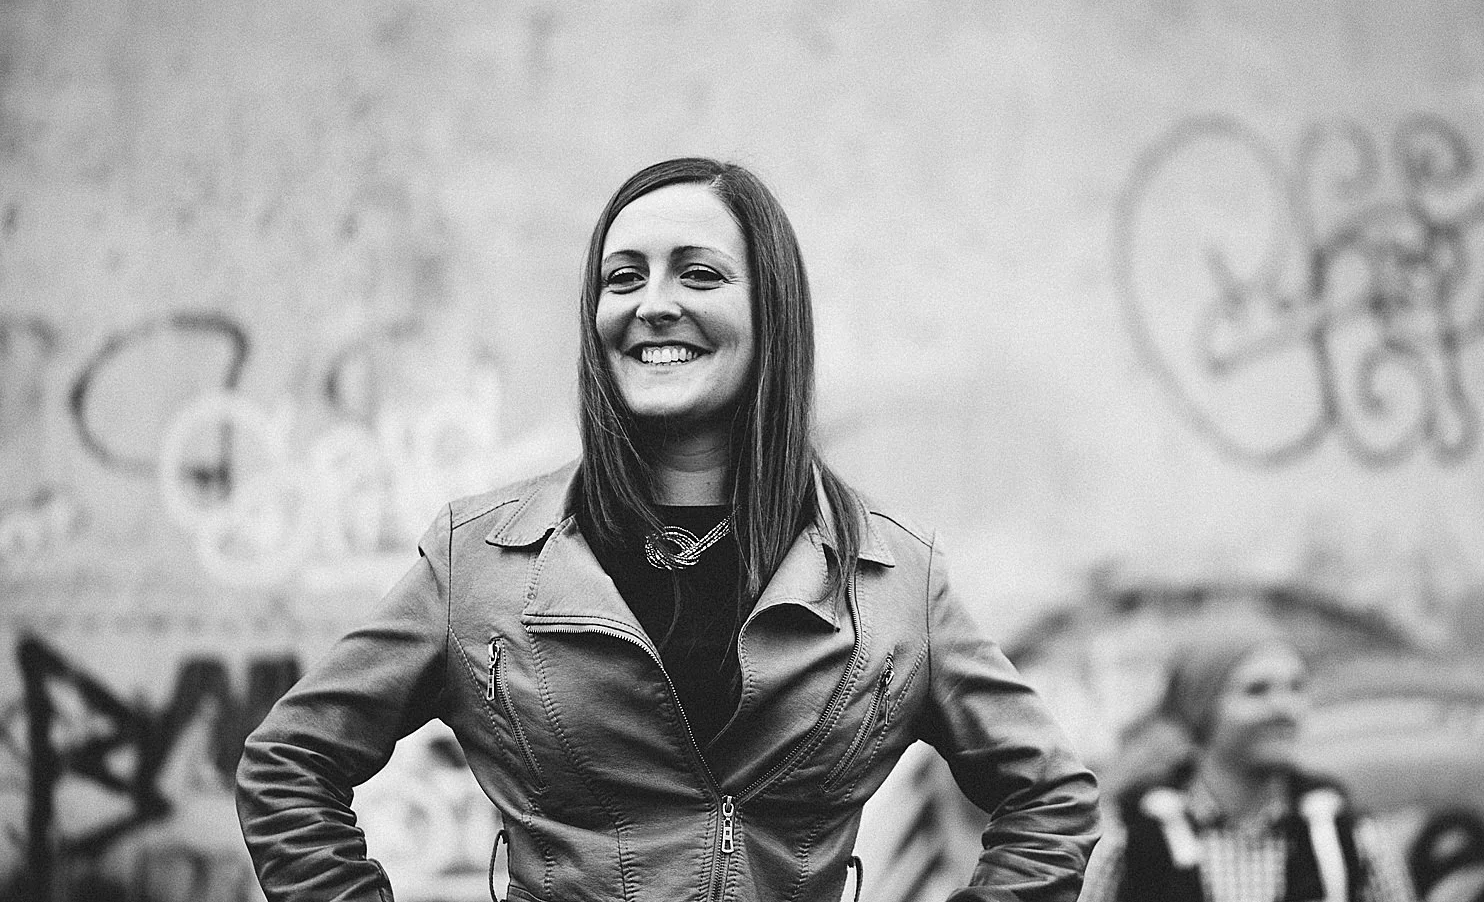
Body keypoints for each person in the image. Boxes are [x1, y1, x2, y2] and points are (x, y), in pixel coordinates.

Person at [236, 157, 1099, 902]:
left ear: (772, 311)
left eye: (698, 274)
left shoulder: (893, 577)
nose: (653, 304)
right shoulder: (481, 559)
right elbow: (288, 764)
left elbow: (1051, 795)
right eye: (623, 278)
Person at [1078, 628, 1418, 902]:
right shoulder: (1129, 839)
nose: (1284, 708)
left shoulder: (1348, 838)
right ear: (1202, 707)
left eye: (1296, 688)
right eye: (1257, 690)